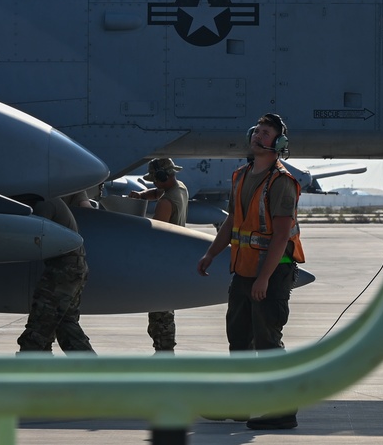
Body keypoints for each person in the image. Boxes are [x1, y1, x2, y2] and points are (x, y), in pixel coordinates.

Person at [197, 113, 305, 430]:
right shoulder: (241, 176)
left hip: (271, 273)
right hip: (244, 272)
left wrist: (263, 278)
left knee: (268, 343)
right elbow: (234, 221)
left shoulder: (282, 182)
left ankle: (283, 410)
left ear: (279, 143)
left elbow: (282, 235)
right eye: (257, 129)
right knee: (239, 342)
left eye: (267, 132)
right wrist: (211, 253)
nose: (259, 135)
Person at [16, 193, 95, 354]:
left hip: (63, 270)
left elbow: (33, 237)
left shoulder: (45, 203)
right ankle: (92, 373)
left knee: (39, 325)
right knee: (65, 325)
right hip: (74, 267)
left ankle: (29, 370)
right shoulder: (50, 201)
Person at [130, 158, 189, 352]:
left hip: (164, 260)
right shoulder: (180, 188)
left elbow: (156, 232)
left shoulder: (166, 202)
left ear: (162, 176)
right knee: (165, 307)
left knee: (160, 312)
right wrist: (141, 196)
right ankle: (164, 350)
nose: (153, 183)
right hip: (176, 256)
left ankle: (164, 351)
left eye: (155, 179)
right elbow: (157, 192)